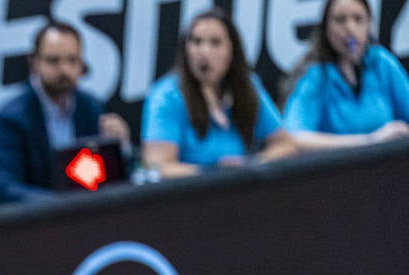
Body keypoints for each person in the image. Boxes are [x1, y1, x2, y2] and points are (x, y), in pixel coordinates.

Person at [0, 21, 133, 204]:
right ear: (34, 62)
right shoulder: (11, 120)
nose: (64, 70)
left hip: (87, 217)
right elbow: (1, 187)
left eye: (72, 60)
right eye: (54, 61)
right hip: (35, 222)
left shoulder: (91, 107)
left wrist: (120, 150)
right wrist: (59, 205)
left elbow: (113, 179)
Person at [141, 9, 297, 177]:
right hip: (188, 196)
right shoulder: (166, 96)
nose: (204, 52)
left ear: (232, 50)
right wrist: (215, 175)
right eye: (196, 41)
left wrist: (254, 164)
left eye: (215, 43)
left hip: (240, 191)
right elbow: (157, 168)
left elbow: (286, 144)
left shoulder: (247, 86)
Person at [282, 0, 409, 150]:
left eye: (358, 19)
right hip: (339, 171)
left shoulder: (382, 63)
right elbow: (294, 137)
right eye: (340, 20)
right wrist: (370, 140)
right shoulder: (315, 77)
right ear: (326, 28)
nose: (350, 28)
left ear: (369, 25)